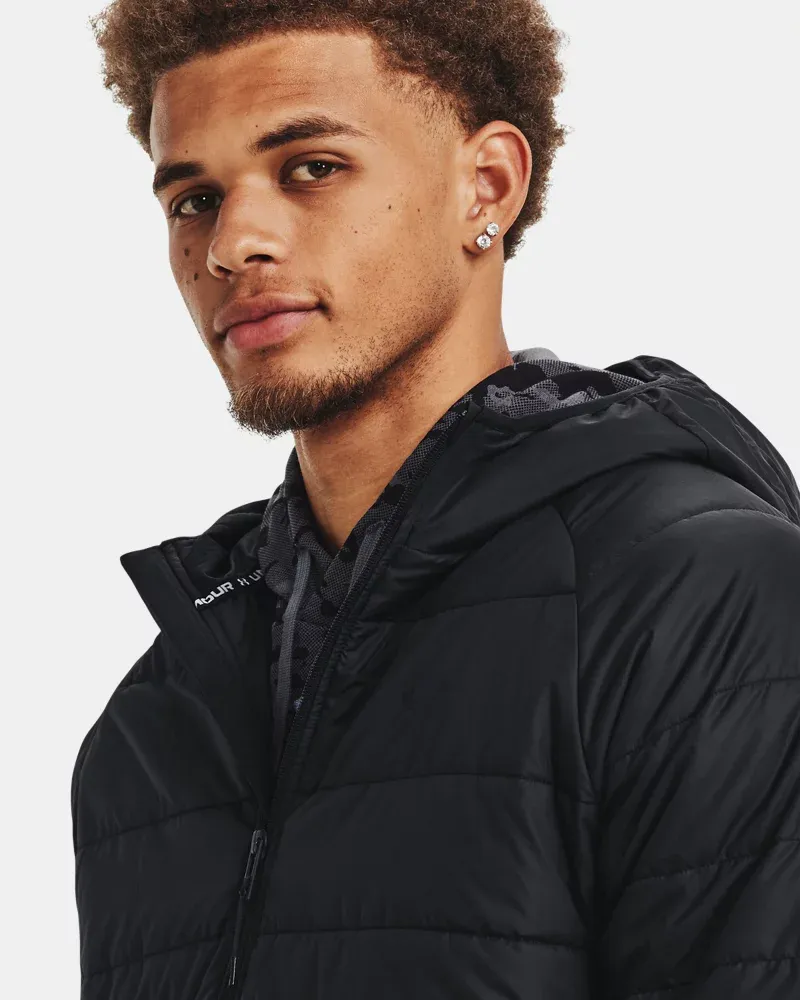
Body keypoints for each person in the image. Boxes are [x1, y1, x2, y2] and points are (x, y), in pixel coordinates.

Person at [72, 1, 800, 997]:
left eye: (310, 168)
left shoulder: (699, 595)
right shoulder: (153, 723)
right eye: (193, 198)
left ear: (485, 185)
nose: (231, 243)